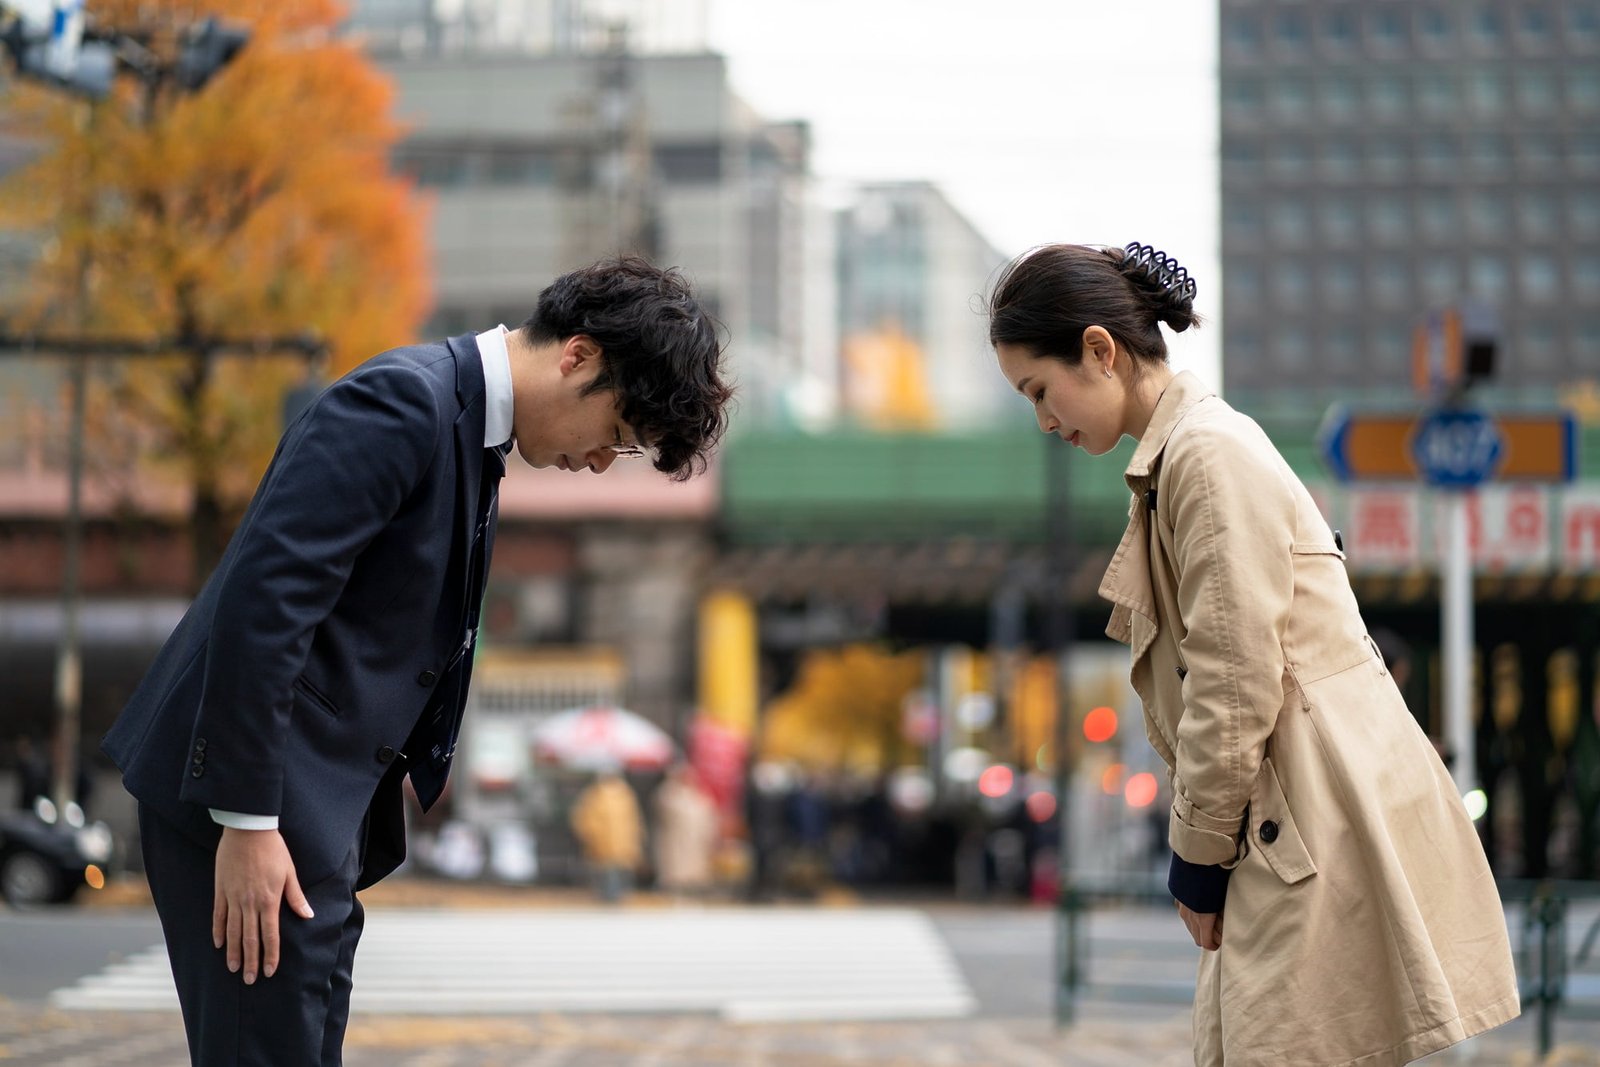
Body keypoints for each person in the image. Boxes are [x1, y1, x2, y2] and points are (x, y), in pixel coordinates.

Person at [101, 256, 731, 1067]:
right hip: (251, 810)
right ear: (579, 355)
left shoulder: (465, 428)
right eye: (613, 435)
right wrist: (247, 820)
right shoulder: (402, 403)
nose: (602, 461)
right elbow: (265, 604)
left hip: (312, 817)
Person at [986, 242, 1518, 1066]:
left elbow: (1233, 683)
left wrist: (1196, 859)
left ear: (1099, 350)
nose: (1044, 420)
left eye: (1038, 390)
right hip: (1294, 820)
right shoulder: (1188, 456)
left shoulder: (1203, 455)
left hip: (1302, 827)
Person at [569, 768, 644, 903]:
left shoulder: (625, 794)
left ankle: (620, 897)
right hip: (603, 842)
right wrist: (593, 835)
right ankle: (607, 897)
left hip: (623, 842)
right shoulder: (595, 794)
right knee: (605, 871)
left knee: (622, 871)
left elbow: (633, 819)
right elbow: (584, 819)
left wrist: (635, 837)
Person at [651, 762, 718, 895]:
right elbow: (665, 808)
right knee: (677, 871)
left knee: (694, 873)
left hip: (696, 844)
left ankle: (692, 888)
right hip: (676, 844)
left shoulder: (699, 796)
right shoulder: (668, 794)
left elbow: (709, 816)